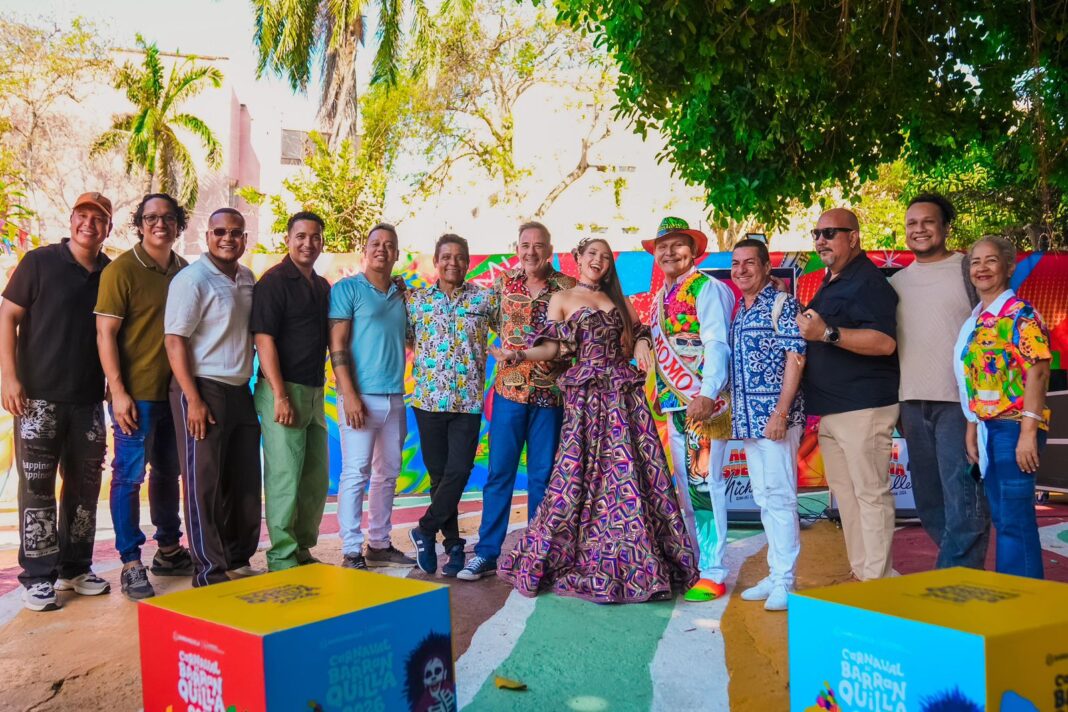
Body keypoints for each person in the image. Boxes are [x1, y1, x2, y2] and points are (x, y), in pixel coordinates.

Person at [495, 238, 698, 602]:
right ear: (578, 257)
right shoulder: (562, 298)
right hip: (585, 398)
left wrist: (640, 342)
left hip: (623, 396)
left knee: (629, 472)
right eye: (592, 253)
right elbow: (553, 347)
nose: (598, 260)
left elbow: (640, 330)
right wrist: (519, 355)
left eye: (605, 256)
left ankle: (637, 560)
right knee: (577, 474)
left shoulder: (617, 298)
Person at [0, 192, 113, 611]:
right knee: (37, 487)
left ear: (108, 228)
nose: (89, 224)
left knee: (85, 488)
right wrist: (9, 377)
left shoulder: (111, 273)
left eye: (98, 219)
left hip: (88, 400)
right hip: (38, 399)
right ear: (71, 219)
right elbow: (7, 317)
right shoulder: (39, 262)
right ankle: (38, 576)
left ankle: (75, 568)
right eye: (83, 215)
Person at [457, 221, 576, 581]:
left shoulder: (567, 287)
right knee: (500, 474)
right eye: (525, 245)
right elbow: (481, 318)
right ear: (517, 249)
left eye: (538, 245)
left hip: (550, 395)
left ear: (550, 250)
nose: (531, 252)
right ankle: (486, 553)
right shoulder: (503, 284)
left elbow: (577, 337)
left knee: (542, 478)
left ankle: (538, 556)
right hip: (510, 392)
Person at [95, 193, 192, 600]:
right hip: (136, 396)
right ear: (139, 224)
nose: (160, 224)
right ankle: (131, 562)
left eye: (168, 217)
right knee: (129, 477)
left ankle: (168, 549)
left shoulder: (185, 271)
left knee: (169, 474)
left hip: (175, 396)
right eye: (151, 217)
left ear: (179, 224)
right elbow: (105, 334)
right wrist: (118, 391)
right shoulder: (121, 270)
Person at [796, 208, 900, 582]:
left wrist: (828, 334)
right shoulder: (834, 280)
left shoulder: (868, 281)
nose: (820, 240)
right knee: (848, 497)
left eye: (830, 233)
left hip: (864, 407)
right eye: (816, 234)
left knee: (870, 495)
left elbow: (885, 342)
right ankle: (863, 573)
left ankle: (877, 581)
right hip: (833, 410)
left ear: (853, 237)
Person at [890, 194, 989, 569]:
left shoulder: (969, 271)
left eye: (928, 222)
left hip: (960, 407)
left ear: (946, 228)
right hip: (912, 404)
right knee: (929, 501)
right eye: (912, 223)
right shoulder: (896, 282)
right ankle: (959, 572)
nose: (919, 229)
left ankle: (956, 580)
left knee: (964, 498)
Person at [164, 208, 262, 587]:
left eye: (235, 232)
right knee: (203, 483)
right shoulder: (192, 280)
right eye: (220, 231)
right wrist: (193, 399)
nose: (227, 238)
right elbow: (175, 340)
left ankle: (237, 557)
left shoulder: (247, 277)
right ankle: (208, 570)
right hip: (202, 387)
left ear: (244, 239)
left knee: (244, 480)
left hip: (239, 389)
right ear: (207, 236)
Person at [646, 217, 734, 602]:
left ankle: (713, 571)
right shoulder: (660, 297)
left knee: (704, 485)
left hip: (703, 406)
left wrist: (708, 392)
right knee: (686, 488)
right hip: (676, 405)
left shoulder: (707, 288)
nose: (669, 252)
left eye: (677, 245)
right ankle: (697, 563)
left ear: (693, 250)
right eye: (662, 246)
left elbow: (717, 344)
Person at [955, 235, 1051, 579]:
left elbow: (1039, 371)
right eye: (975, 261)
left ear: (1009, 267)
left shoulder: (1020, 315)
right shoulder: (979, 319)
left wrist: (1028, 432)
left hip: (1014, 429)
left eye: (991, 260)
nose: (981, 268)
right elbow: (976, 378)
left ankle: (1025, 598)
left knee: (1014, 519)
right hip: (989, 429)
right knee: (1004, 518)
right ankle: (1015, 592)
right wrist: (972, 426)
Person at [407, 234, 498, 577]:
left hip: (467, 403)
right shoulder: (415, 301)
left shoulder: (484, 299)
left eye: (459, 257)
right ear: (436, 260)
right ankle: (454, 545)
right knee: (439, 478)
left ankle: (425, 529)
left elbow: (512, 326)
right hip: (428, 402)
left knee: (458, 471)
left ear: (468, 262)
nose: (452, 262)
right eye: (446, 256)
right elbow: (405, 338)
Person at [329, 223, 416, 569]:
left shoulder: (401, 294)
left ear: (396, 254)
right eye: (375, 243)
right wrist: (349, 394)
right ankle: (351, 549)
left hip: (395, 397)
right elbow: (337, 345)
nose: (382, 248)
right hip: (360, 396)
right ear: (365, 251)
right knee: (356, 473)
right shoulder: (347, 289)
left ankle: (379, 543)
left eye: (389, 244)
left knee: (388, 474)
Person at [251, 211, 331, 571]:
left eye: (315, 237)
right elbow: (263, 339)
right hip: (282, 391)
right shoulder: (273, 282)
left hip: (314, 392)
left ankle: (301, 548)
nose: (308, 243)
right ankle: (282, 556)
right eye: (300, 236)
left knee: (315, 477)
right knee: (285, 476)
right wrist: (280, 395)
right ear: (288, 240)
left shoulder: (322, 286)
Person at [729, 239, 806, 611]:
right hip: (748, 421)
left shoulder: (782, 303)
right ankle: (775, 575)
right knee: (764, 498)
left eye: (749, 263)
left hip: (775, 419)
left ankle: (787, 581)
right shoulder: (740, 310)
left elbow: (796, 356)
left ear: (765, 267)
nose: (741, 269)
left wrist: (781, 413)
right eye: (736, 263)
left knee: (781, 498)